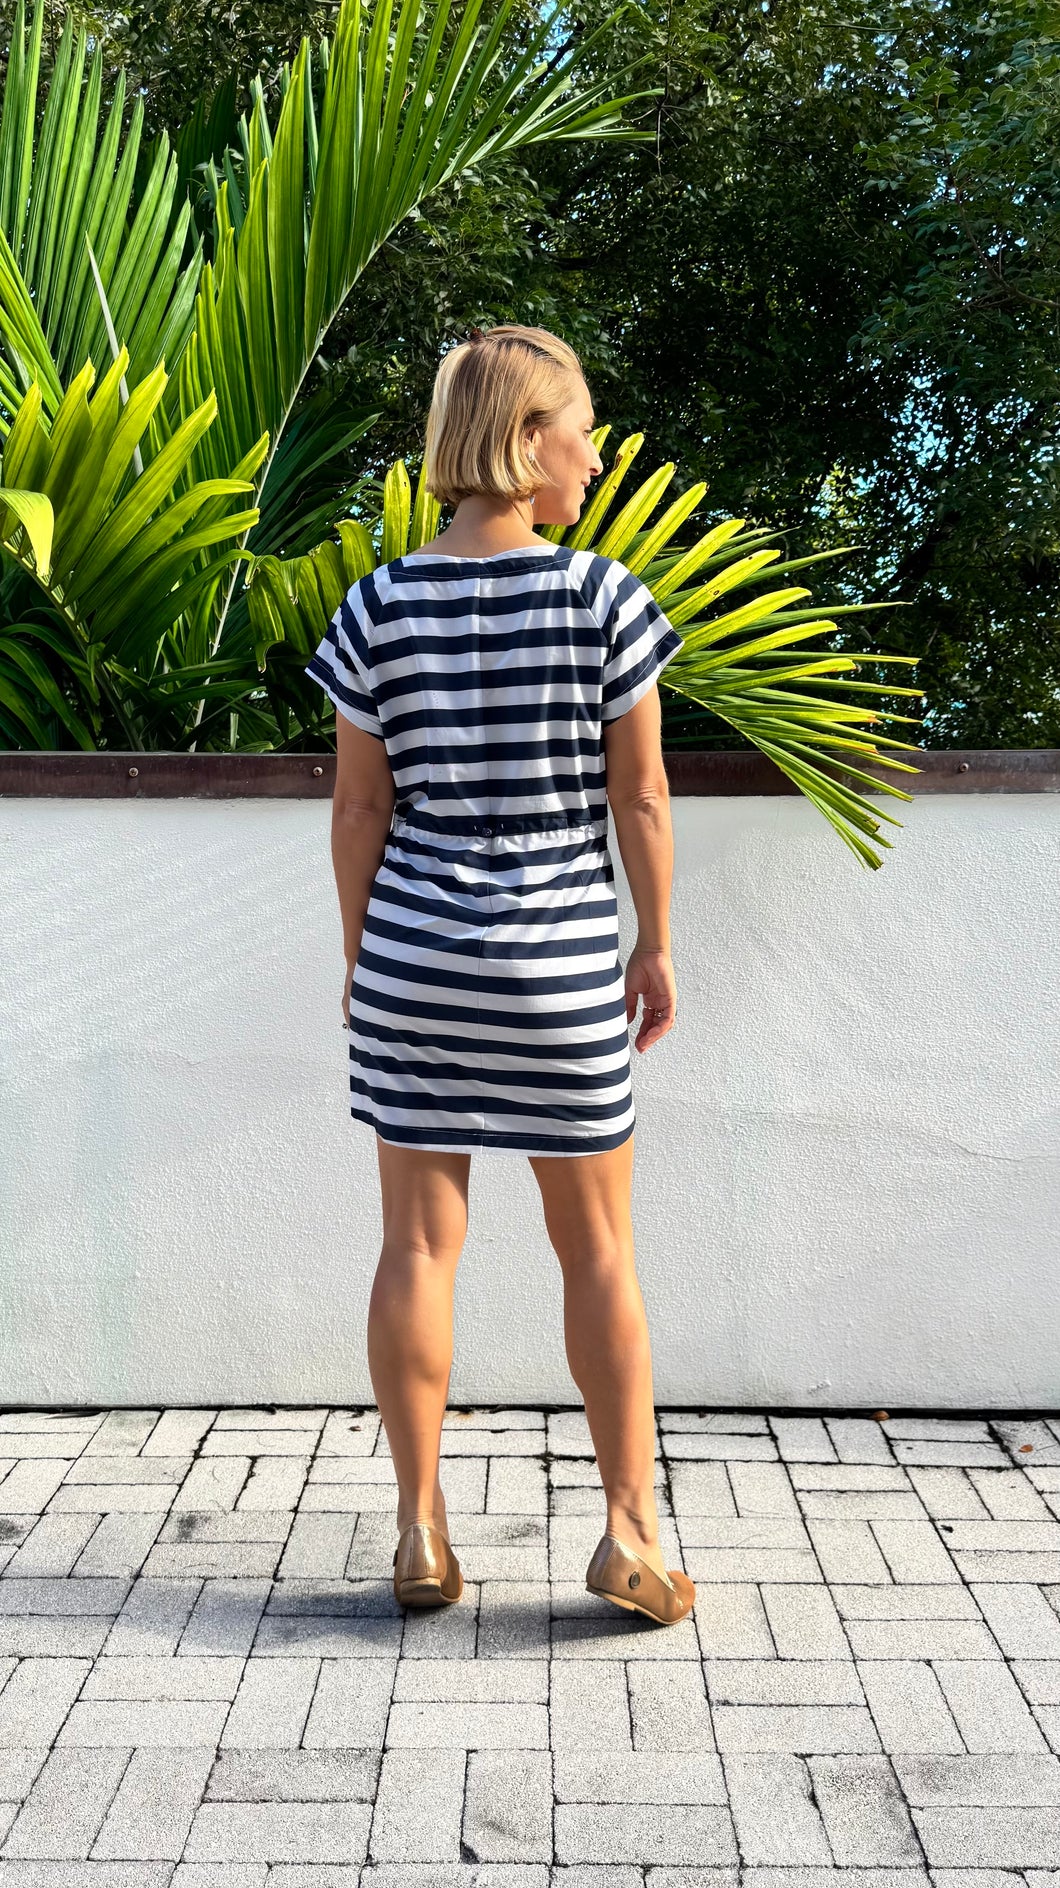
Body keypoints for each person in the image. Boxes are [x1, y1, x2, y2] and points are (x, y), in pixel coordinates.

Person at [305, 323, 695, 1627]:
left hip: (416, 958)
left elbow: (359, 810)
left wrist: (363, 957)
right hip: (560, 964)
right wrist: (654, 943)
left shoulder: (378, 606)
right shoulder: (603, 600)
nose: (593, 459)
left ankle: (420, 1528)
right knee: (600, 1251)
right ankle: (630, 1534)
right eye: (581, 433)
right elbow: (642, 798)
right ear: (529, 441)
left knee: (418, 1244)